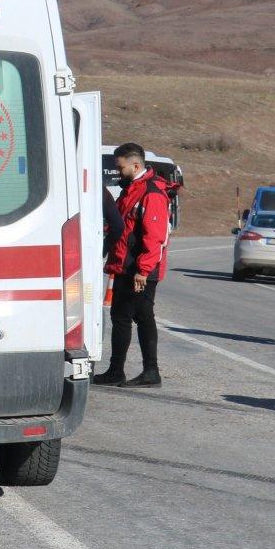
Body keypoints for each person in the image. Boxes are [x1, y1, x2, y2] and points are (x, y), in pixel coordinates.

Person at [94, 143, 171, 387]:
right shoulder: (131, 190)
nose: (117, 171)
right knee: (124, 316)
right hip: (125, 266)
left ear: (135, 165)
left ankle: (148, 371)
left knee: (137, 316)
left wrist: (143, 270)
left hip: (139, 269)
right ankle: (119, 370)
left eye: (120, 167)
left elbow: (155, 236)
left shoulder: (151, 193)